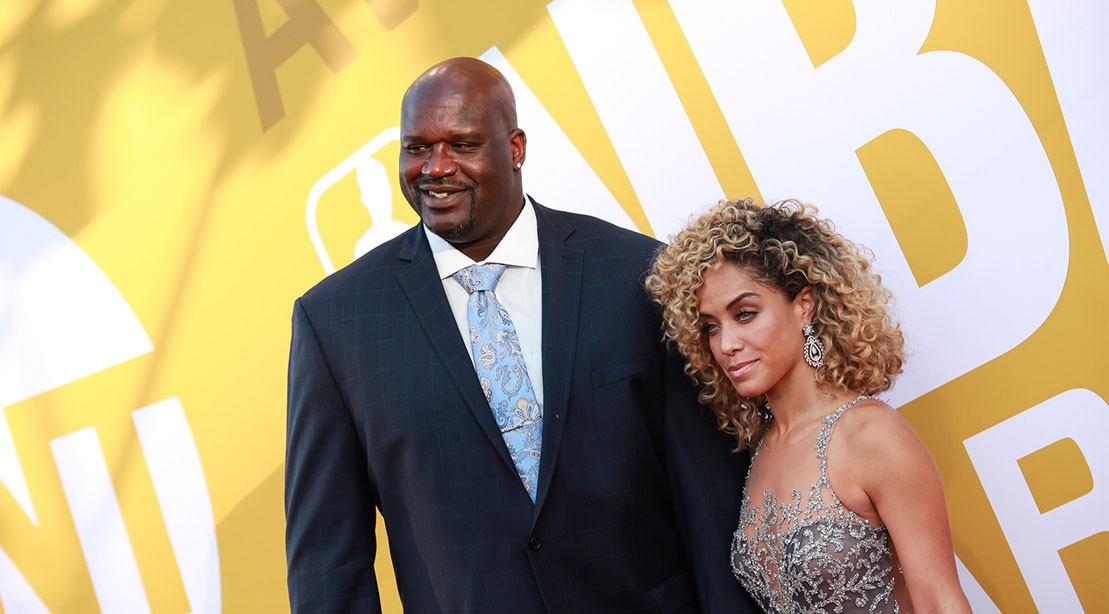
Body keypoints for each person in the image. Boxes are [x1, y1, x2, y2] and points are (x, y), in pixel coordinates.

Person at [285, 57, 756, 612]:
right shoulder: (336, 322)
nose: (435, 168)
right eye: (416, 147)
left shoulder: (636, 275)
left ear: (515, 148)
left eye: (461, 144)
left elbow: (708, 498)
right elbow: (327, 563)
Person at [646, 199, 972, 613]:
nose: (726, 344)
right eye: (711, 326)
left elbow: (939, 600)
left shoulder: (869, 435)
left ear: (804, 306)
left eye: (745, 314)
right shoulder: (759, 449)